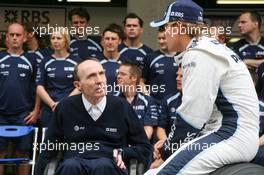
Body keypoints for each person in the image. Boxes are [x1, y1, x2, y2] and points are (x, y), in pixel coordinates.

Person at [145, 0, 260, 174]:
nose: (163, 33)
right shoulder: (207, 47)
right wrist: (171, 144)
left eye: (166, 26)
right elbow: (203, 117)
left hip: (232, 136)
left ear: (178, 26)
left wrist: (168, 149)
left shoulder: (199, 53)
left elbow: (192, 116)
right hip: (229, 133)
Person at [35, 59, 152, 175]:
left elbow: (144, 148)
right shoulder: (64, 108)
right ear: (78, 85)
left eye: (101, 74)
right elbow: (48, 150)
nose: (100, 80)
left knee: (102, 165)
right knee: (70, 166)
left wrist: (123, 152)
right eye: (91, 76)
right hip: (74, 162)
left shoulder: (122, 106)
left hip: (110, 163)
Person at [0, 23, 39, 175]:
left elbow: (39, 88)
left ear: (24, 38)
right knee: (0, 154)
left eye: (18, 35)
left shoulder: (32, 59)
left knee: (22, 155)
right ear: (7, 37)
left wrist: (36, 111)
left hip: (24, 115)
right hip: (1, 115)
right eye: (12, 35)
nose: (15, 38)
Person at [36, 29, 81, 127]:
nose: (55, 41)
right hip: (49, 109)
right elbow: (39, 87)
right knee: (48, 140)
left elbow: (80, 86)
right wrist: (53, 104)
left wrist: (63, 104)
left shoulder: (76, 61)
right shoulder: (45, 61)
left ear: (66, 41)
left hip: (70, 108)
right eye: (53, 38)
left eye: (59, 38)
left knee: (69, 140)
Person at [115, 61, 159, 140]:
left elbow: (148, 131)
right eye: (118, 73)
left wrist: (135, 146)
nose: (118, 76)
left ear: (134, 78)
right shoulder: (112, 100)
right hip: (118, 145)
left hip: (140, 147)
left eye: (123, 74)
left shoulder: (148, 101)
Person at [143, 26, 179, 101]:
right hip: (156, 103)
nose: (161, 41)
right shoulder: (150, 57)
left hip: (177, 104)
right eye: (159, 38)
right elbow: (141, 81)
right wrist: (147, 97)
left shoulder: (182, 56)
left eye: (164, 38)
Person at [98, 24, 124, 94]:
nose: (110, 42)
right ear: (103, 40)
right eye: (107, 39)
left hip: (121, 103)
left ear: (119, 41)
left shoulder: (127, 62)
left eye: (113, 39)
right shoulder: (94, 62)